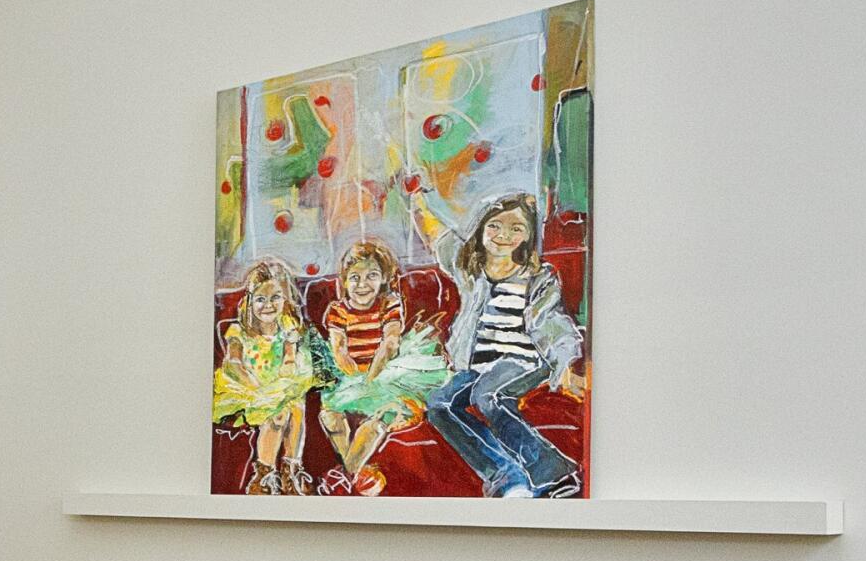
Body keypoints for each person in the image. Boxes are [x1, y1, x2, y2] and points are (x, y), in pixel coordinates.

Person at [427, 194, 587, 497]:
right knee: (439, 403)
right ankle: (507, 475)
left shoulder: (539, 277)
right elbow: (442, 238)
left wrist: (566, 363)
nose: (504, 236)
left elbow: (554, 323)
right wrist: (424, 197)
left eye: (517, 228)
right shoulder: (471, 272)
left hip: (524, 361)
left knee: (490, 395)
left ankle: (555, 474)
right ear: (480, 228)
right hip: (478, 366)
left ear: (528, 235)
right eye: (495, 225)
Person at [315, 239, 449, 495]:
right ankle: (357, 474)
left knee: (376, 422)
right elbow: (339, 349)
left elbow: (389, 344)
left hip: (387, 372)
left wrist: (371, 382)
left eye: (371, 276)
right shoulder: (337, 310)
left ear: (384, 279)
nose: (362, 285)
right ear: (344, 281)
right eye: (354, 277)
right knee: (329, 416)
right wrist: (356, 380)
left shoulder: (390, 303)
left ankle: (345, 475)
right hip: (350, 374)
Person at [212, 258, 318, 495]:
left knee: (296, 404)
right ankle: (265, 473)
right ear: (250, 302)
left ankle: (291, 468)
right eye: (260, 299)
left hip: (278, 384)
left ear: (285, 299)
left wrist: (288, 368)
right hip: (247, 387)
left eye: (275, 298)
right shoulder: (238, 331)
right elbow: (234, 364)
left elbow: (291, 357)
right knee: (279, 414)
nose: (268, 305)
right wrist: (258, 388)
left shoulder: (287, 325)